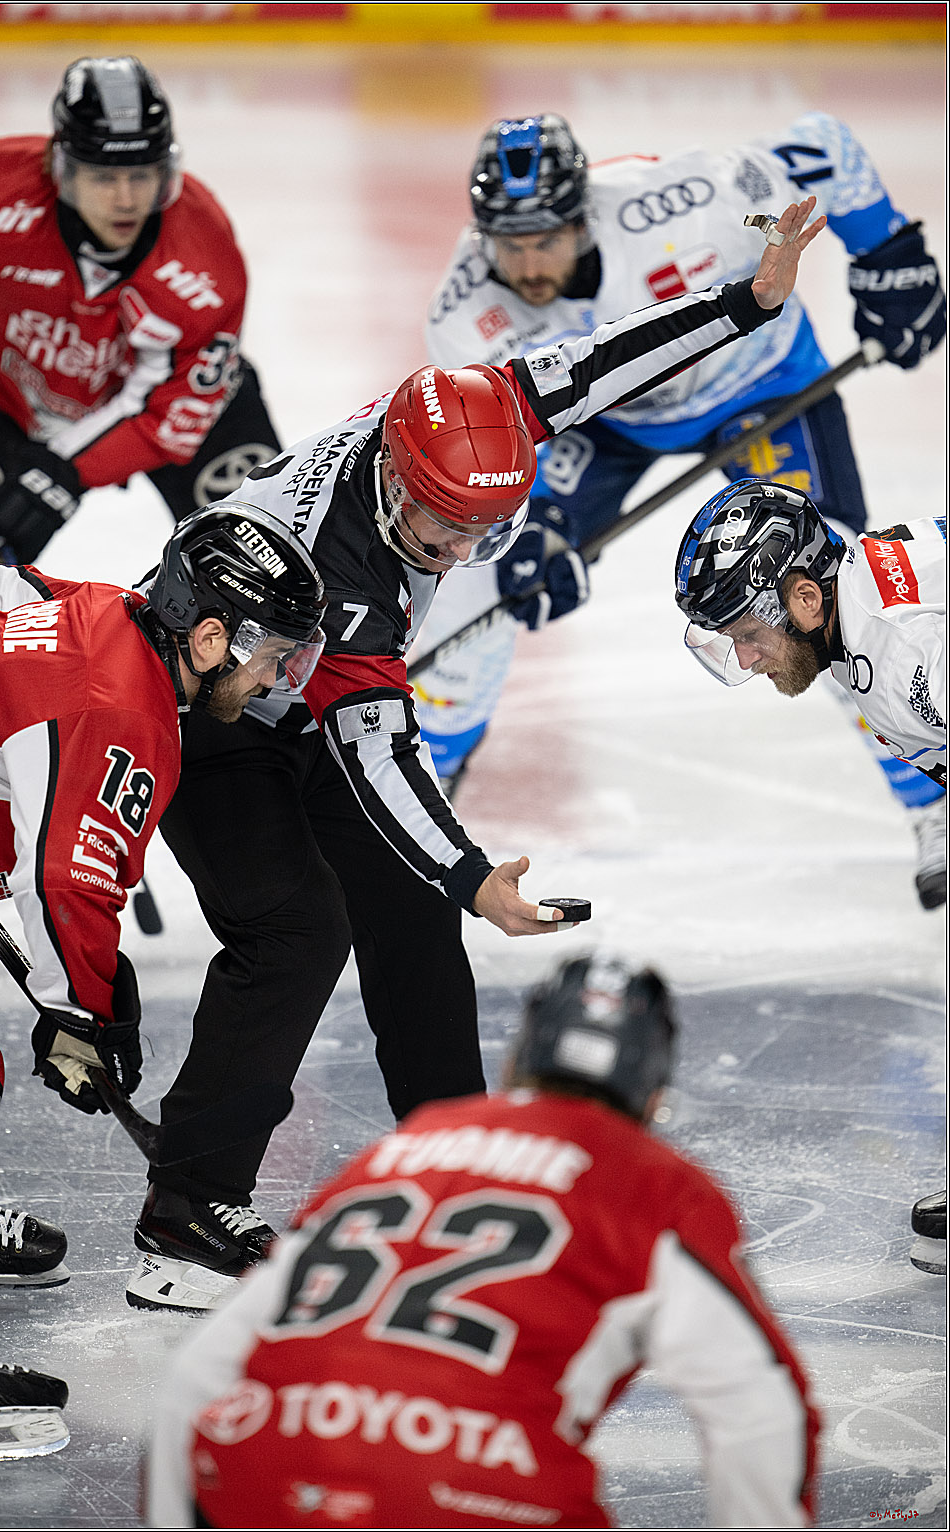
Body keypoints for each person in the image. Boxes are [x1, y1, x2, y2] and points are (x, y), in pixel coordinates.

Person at [125, 194, 825, 1317]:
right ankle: (186, 1215)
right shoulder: (343, 574)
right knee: (298, 926)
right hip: (207, 705)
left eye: (482, 533)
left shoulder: (475, 417)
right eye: (442, 529)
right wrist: (472, 875)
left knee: (406, 914)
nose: (458, 553)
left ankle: (453, 1176)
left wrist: (744, 302)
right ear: (396, 480)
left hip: (292, 687)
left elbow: (603, 362)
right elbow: (375, 746)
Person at [414, 111, 947, 907]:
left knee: (825, 599)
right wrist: (532, 521)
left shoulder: (688, 199)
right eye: (507, 244)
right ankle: (426, 784)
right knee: (489, 574)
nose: (525, 265)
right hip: (606, 421)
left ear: (582, 215)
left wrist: (888, 256)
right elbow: (499, 437)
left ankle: (930, 799)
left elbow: (827, 147)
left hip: (759, 383)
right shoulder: (462, 313)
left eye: (545, 240)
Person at [144, 950, 820, 1528]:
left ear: (518, 1058)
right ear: (653, 1093)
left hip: (266, 1471)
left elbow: (198, 1373)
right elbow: (760, 1406)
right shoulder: (659, 1184)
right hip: (479, 1495)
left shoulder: (406, 1146)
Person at [0, 504, 327, 1457]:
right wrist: (84, 1013)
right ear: (210, 638)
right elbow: (64, 882)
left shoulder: (100, 608)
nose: (277, 680)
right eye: (275, 655)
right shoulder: (126, 707)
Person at [674, 476, 946, 1276]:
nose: (747, 659)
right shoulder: (861, 601)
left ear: (802, 597)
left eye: (747, 633)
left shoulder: (905, 657)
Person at [0, 55, 282, 605]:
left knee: (262, 545)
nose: (126, 199)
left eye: (141, 175)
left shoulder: (204, 261)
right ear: (62, 170)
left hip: (160, 402)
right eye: (102, 177)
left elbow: (168, 416)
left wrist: (62, 472)